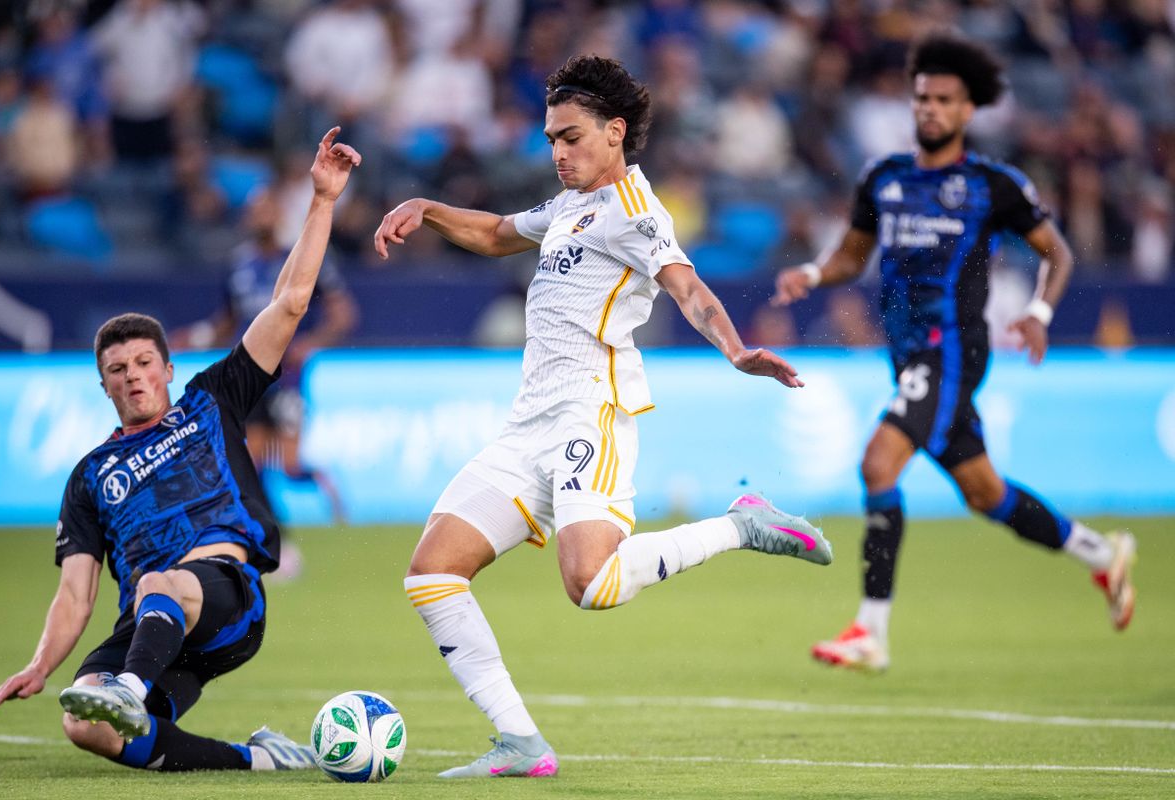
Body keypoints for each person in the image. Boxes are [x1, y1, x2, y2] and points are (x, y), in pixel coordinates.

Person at [374, 54, 833, 780]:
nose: (558, 152)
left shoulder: (637, 214)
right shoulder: (569, 206)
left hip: (593, 409)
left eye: (572, 137)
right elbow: (496, 233)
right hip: (528, 423)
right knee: (431, 574)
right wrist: (426, 208)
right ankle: (520, 744)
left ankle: (742, 525)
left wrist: (736, 348)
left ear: (615, 132)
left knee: (591, 586)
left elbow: (687, 288)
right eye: (552, 138)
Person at [0, 128, 362, 772]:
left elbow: (292, 303)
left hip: (225, 598)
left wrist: (321, 200)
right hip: (152, 627)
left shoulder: (212, 400)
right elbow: (77, 594)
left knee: (163, 587)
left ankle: (130, 691)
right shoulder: (90, 478)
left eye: (142, 362)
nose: (132, 375)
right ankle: (260, 760)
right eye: (117, 369)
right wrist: (43, 664)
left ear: (166, 367)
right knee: (85, 725)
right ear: (102, 384)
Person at [774, 33, 1137, 673]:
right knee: (983, 491)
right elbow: (853, 257)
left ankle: (871, 631)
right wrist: (811, 272)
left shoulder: (992, 185)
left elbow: (1058, 252)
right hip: (907, 356)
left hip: (951, 353)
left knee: (878, 464)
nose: (930, 110)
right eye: (922, 99)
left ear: (969, 110)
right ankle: (1103, 557)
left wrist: (1039, 312)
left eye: (944, 100)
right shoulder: (884, 179)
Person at [174, 171, 359, 576]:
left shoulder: (302, 259)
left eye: (267, 209)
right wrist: (197, 336)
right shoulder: (238, 266)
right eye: (254, 210)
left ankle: (322, 484)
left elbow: (343, 312)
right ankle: (279, 545)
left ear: (278, 215)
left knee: (289, 466)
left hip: (289, 380)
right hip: (249, 379)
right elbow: (227, 321)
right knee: (252, 466)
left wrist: (313, 343)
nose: (260, 216)